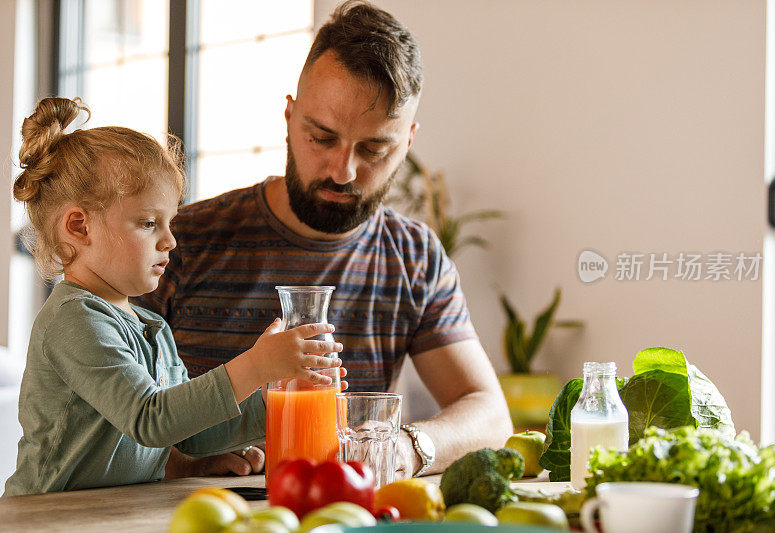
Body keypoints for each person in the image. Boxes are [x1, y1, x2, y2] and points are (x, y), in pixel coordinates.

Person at [135, 0, 513, 479]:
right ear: (290, 119)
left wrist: (404, 447)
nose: (343, 170)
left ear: (408, 142)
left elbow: (488, 413)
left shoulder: (414, 257)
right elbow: (103, 408)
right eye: (322, 138)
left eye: (374, 148)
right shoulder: (179, 243)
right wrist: (181, 464)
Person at [3, 97, 344, 496]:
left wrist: (275, 396)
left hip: (109, 515)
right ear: (80, 227)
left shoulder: (152, 327)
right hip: (44, 518)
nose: (170, 240)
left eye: (170, 223)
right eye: (149, 223)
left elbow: (188, 436)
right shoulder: (73, 320)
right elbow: (151, 419)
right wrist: (255, 365)